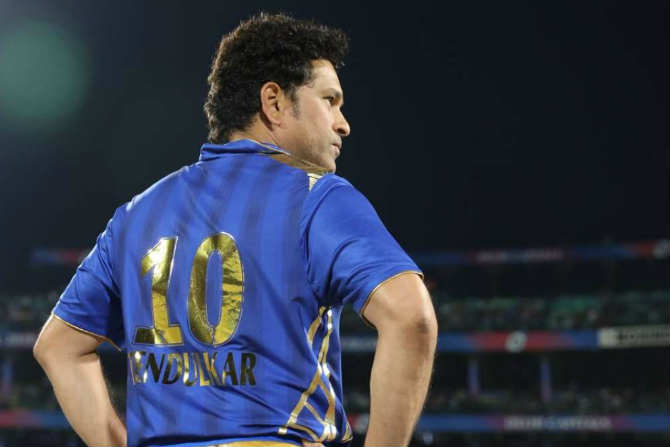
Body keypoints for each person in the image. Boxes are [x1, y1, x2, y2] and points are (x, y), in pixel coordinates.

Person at [33, 12, 437, 447]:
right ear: (274, 102)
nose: (343, 123)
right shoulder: (318, 197)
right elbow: (411, 317)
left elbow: (58, 346)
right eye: (330, 101)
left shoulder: (135, 214)